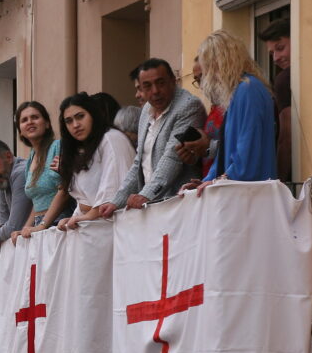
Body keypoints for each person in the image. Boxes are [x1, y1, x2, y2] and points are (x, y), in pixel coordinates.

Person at [102, 58, 206, 215]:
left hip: (179, 205)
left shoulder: (188, 106)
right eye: (147, 86)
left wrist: (146, 195)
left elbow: (172, 158)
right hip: (151, 207)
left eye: (161, 83)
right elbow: (139, 162)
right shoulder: (146, 110)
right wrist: (116, 202)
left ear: (173, 81)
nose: (155, 91)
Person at [195, 30, 276, 183]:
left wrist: (219, 180)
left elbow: (247, 154)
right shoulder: (239, 91)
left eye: (207, 68)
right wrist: (207, 180)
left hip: (247, 193)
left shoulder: (248, 90)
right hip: (239, 191)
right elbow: (225, 152)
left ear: (217, 65)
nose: (206, 77)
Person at [56, 93, 136, 231]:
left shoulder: (111, 138)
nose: (75, 125)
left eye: (80, 116)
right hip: (92, 228)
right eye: (68, 121)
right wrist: (75, 217)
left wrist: (88, 216)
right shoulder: (85, 149)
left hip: (114, 227)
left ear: (93, 114)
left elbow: (114, 189)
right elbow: (83, 198)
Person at [13, 101, 69, 238]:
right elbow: (37, 202)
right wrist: (26, 228)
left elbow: (65, 190)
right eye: (24, 120)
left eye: (35, 117)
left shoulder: (58, 147)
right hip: (41, 227)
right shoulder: (30, 158)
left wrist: (42, 225)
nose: (30, 122)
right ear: (20, 131)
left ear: (47, 124)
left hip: (59, 225)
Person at [259, 19, 291, 180]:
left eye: (280, 48)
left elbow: (286, 136)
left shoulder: (284, 80)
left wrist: (280, 180)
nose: (276, 58)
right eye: (272, 53)